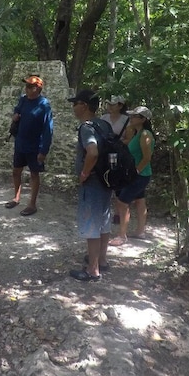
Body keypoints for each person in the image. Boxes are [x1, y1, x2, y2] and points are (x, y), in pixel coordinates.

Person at [69, 89, 113, 282]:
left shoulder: (86, 127)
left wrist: (85, 173)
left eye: (75, 103)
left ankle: (92, 270)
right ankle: (102, 260)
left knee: (91, 225)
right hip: (106, 179)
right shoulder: (104, 124)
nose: (73, 107)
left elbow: (93, 152)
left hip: (94, 181)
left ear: (84, 106)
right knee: (103, 221)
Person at [5, 75, 53, 216]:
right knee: (16, 171)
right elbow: (17, 110)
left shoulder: (44, 105)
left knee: (34, 173)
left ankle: (32, 204)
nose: (26, 89)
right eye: (25, 86)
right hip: (20, 143)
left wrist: (44, 150)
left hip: (35, 145)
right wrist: (15, 115)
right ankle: (16, 197)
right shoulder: (23, 100)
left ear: (37, 89)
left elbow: (48, 129)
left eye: (29, 86)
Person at [110, 106, 155, 245]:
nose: (131, 118)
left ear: (143, 119)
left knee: (122, 202)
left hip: (139, 175)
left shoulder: (145, 135)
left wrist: (135, 172)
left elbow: (147, 157)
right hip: (141, 174)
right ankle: (140, 231)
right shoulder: (138, 133)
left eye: (135, 116)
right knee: (140, 201)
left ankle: (122, 235)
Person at [101, 95, 131, 226]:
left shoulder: (127, 120)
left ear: (120, 105)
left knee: (119, 183)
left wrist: (117, 143)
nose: (110, 107)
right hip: (105, 154)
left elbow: (129, 138)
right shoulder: (103, 118)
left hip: (120, 154)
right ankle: (104, 210)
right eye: (109, 104)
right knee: (104, 179)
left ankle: (119, 213)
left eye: (113, 104)